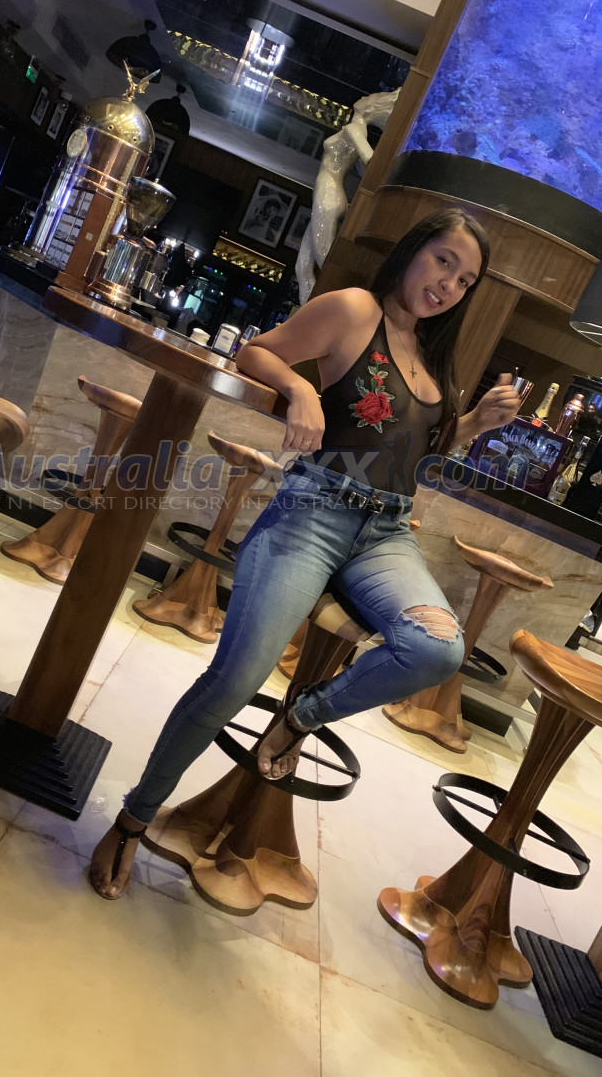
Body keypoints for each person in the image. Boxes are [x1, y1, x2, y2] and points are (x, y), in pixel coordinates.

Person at [89, 208, 520, 899]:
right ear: (414, 250)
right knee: (233, 680)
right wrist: (299, 389)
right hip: (313, 511)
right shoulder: (354, 310)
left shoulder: (434, 354)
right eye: (444, 261)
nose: (450, 285)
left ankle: (298, 719)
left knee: (440, 650)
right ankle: (134, 819)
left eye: (466, 280)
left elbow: (417, 452)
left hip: (386, 532)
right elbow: (255, 352)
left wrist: (472, 425)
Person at [295, 90, 399, 303]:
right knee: (302, 266)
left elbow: (370, 161)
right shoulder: (357, 131)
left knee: (326, 263)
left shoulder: (355, 129)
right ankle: (307, 313)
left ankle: (333, 308)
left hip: (329, 192)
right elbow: (364, 165)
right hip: (328, 192)